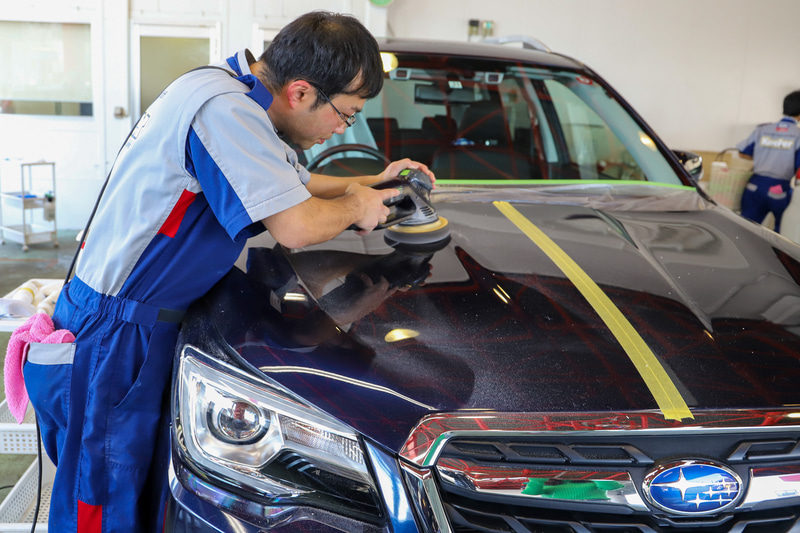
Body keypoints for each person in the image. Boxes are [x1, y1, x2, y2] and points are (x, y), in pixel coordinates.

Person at [22, 11, 434, 533]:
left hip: (131, 322)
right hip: (116, 333)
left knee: (129, 490)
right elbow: (297, 225)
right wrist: (357, 206)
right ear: (302, 92)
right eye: (346, 115)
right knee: (99, 500)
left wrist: (374, 181)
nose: (340, 129)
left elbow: (289, 183)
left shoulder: (228, 91)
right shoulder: (226, 114)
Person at [736, 90, 800, 232]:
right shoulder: (797, 135)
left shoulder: (762, 130)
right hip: (779, 189)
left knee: (744, 229)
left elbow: (743, 153)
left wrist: (764, 156)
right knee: (781, 233)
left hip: (754, 187)